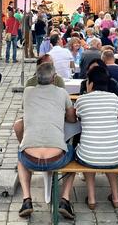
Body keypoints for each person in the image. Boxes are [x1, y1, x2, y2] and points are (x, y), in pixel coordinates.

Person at [16, 60, 77, 219]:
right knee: (75, 158)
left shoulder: (27, 91)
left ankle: (26, 199)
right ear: (54, 77)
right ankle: (65, 199)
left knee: (21, 156)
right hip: (56, 159)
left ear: (36, 77)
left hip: (30, 159)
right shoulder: (62, 93)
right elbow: (71, 119)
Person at [73, 66, 118, 210]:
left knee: (88, 151)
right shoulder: (114, 98)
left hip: (88, 155)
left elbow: (77, 116)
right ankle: (115, 197)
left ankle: (91, 199)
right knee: (109, 149)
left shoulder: (82, 100)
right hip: (117, 155)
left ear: (90, 83)